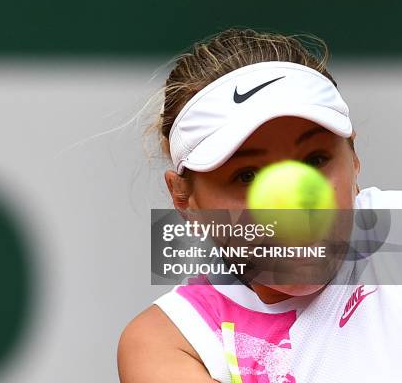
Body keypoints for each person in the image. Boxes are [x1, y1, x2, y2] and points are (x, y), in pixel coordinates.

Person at [117, 28, 402, 382]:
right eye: (247, 175)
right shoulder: (172, 343)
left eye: (314, 160)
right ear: (184, 200)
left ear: (354, 159)